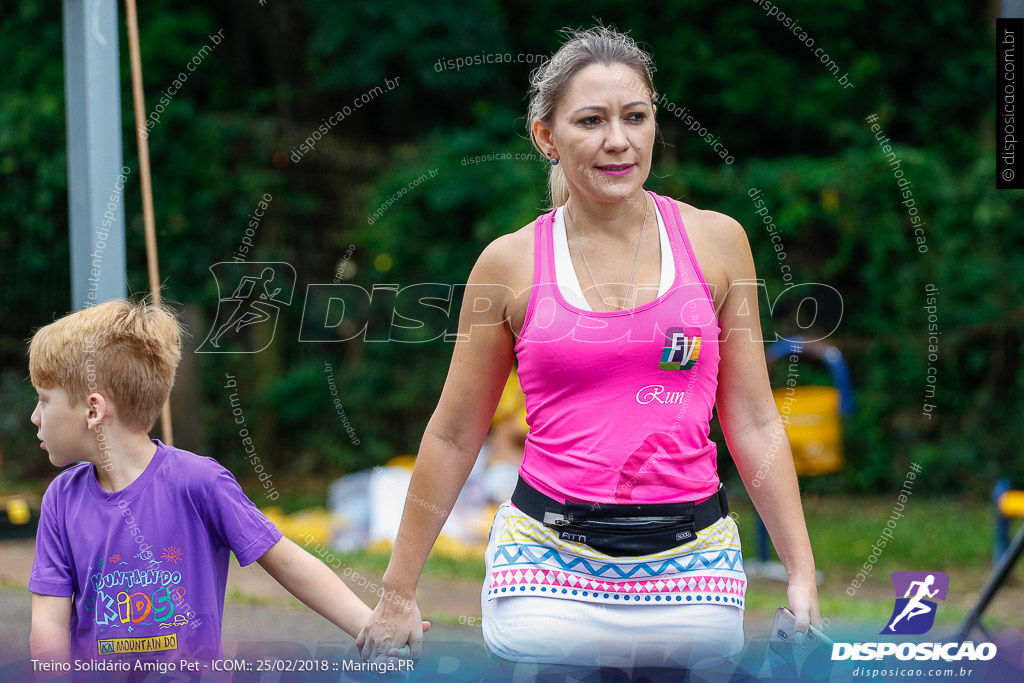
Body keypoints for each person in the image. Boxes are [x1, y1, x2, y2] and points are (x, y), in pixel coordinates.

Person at [358, 26, 821, 668]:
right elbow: (455, 433)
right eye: (591, 120)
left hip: (693, 555)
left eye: (635, 117)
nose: (618, 141)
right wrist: (398, 591)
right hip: (546, 561)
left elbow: (752, 417)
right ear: (546, 136)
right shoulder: (508, 264)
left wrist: (800, 570)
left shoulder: (718, 244)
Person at [26, 299, 427, 678]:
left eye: (44, 400)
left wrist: (368, 626)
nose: (34, 416)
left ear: (93, 410)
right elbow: (48, 622)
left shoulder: (199, 482)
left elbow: (286, 561)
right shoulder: (61, 500)